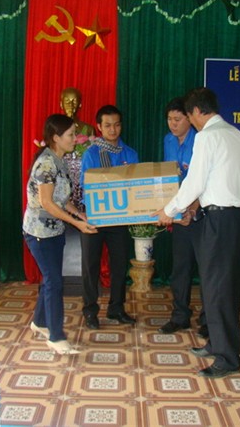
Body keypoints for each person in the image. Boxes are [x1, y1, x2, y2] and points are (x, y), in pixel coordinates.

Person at [154, 87, 240, 379]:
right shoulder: (234, 133)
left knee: (218, 289)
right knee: (224, 287)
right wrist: (194, 207)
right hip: (234, 218)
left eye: (188, 115)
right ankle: (218, 344)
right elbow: (218, 179)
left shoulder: (207, 136)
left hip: (219, 221)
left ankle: (227, 359)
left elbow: (195, 181)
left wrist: (169, 211)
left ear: (196, 111)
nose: (190, 121)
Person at [24, 114, 98, 355]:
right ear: (56, 138)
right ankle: (56, 337)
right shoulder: (46, 163)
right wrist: (76, 224)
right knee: (55, 281)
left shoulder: (60, 160)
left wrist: (79, 214)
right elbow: (47, 203)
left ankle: (40, 322)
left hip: (54, 231)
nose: (76, 138)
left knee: (50, 278)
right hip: (39, 233)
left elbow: (61, 199)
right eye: (71, 135)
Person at [79, 105, 140, 330]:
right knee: (90, 266)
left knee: (119, 265)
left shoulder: (130, 154)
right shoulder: (91, 154)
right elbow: (86, 185)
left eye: (116, 125)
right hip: (94, 218)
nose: (113, 130)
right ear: (99, 127)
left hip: (120, 219)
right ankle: (90, 311)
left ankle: (116, 308)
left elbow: (136, 185)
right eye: (107, 126)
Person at [158, 97, 207, 338]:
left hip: (201, 212)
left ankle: (208, 320)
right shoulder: (168, 140)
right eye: (169, 119)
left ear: (189, 118)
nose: (173, 124)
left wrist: (193, 208)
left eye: (177, 119)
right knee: (180, 268)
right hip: (178, 212)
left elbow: (204, 181)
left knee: (206, 269)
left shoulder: (201, 140)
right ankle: (180, 316)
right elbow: (168, 178)